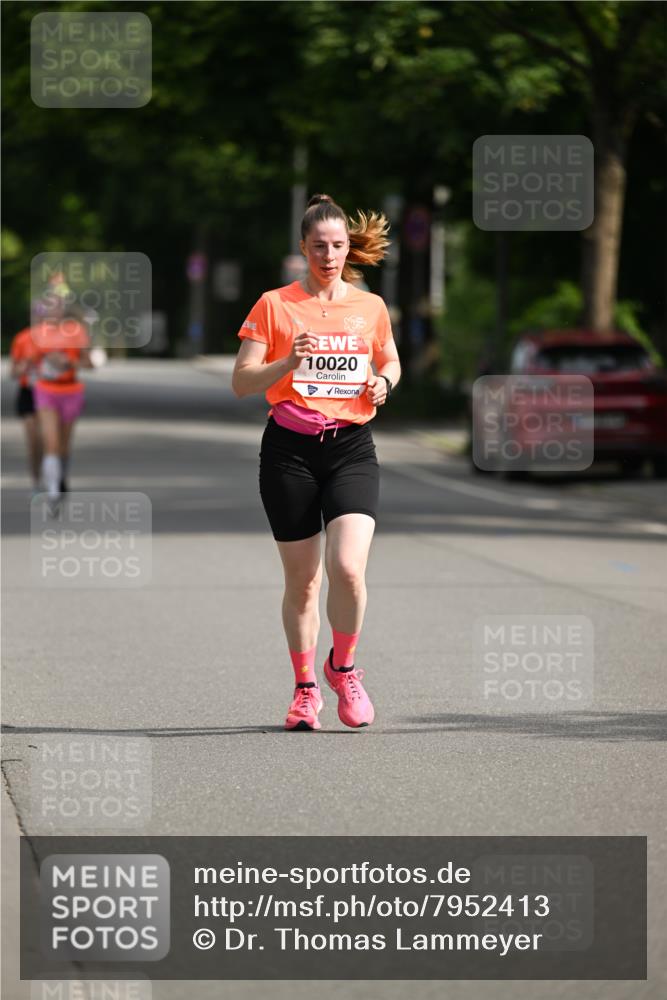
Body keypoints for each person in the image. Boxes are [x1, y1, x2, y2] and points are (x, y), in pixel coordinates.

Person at [233, 193, 401, 731]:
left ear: (349, 248)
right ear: (303, 248)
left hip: (351, 447)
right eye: (319, 246)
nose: (329, 255)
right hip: (290, 450)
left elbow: (390, 359)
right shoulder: (274, 304)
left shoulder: (370, 307)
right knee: (304, 582)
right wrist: (289, 360)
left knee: (348, 568)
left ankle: (343, 669)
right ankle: (305, 689)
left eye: (338, 245)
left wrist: (383, 382)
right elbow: (242, 382)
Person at [30, 303, 93, 509]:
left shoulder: (77, 332)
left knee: (64, 446)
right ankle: (53, 491)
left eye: (57, 307)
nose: (54, 312)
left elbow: (88, 363)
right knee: (51, 442)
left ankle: (61, 477)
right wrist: (45, 360)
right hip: (46, 390)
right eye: (50, 308)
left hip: (71, 390)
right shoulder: (38, 333)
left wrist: (68, 362)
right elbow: (29, 362)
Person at [9, 327, 42, 495]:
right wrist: (25, 365)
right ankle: (36, 480)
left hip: (51, 392)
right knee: (33, 441)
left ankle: (53, 476)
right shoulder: (22, 338)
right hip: (28, 392)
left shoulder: (58, 338)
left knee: (48, 440)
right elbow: (12, 372)